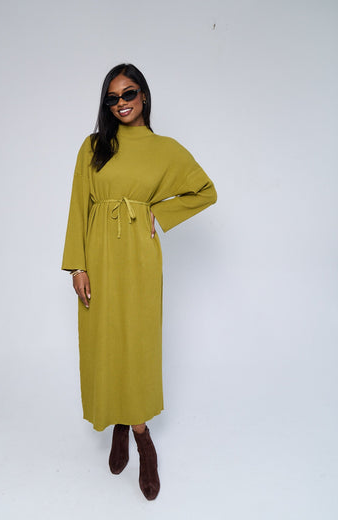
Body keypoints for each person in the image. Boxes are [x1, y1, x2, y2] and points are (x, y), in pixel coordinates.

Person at [62, 63, 217, 500]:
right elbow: (78, 205)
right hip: (98, 254)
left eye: (128, 93)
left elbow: (205, 191)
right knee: (104, 338)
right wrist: (77, 266)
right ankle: (117, 420)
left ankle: (141, 434)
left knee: (138, 341)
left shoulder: (164, 149)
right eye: (112, 98)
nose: (121, 103)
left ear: (143, 95)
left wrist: (160, 212)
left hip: (139, 257)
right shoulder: (94, 146)